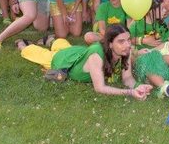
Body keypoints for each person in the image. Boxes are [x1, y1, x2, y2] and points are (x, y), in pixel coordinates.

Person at [19, 24, 153, 99]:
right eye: (121, 41)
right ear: (110, 44)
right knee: (41, 54)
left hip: (77, 53)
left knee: (63, 45)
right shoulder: (97, 55)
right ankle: (22, 44)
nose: (127, 45)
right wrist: (130, 93)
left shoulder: (125, 50)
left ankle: (51, 40)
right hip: (64, 61)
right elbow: (100, 88)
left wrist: (138, 86)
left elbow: (127, 78)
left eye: (128, 40)